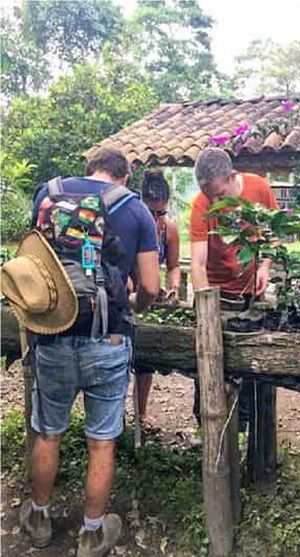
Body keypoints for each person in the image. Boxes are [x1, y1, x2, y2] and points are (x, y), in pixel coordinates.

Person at [12, 148, 159, 556]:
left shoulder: (48, 193)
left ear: (89, 169)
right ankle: (92, 533)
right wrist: (133, 308)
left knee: (48, 431)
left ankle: (39, 518)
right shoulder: (136, 211)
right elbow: (148, 285)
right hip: (107, 338)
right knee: (101, 441)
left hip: (52, 333)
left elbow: (33, 264)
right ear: (125, 175)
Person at [190, 147, 279, 432]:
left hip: (250, 294)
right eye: (209, 196)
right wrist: (207, 309)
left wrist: (264, 267)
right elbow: (198, 263)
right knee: (208, 366)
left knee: (250, 366)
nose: (215, 201)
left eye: (219, 194)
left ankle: (247, 430)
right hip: (218, 293)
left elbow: (272, 234)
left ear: (233, 177)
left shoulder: (259, 189)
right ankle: (208, 429)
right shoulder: (201, 204)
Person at [135, 169, 181, 433]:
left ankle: (141, 412)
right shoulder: (128, 221)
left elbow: (173, 266)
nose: (155, 219)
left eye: (160, 213)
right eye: (150, 213)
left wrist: (173, 287)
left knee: (146, 360)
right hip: (128, 292)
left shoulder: (169, 230)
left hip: (150, 297)